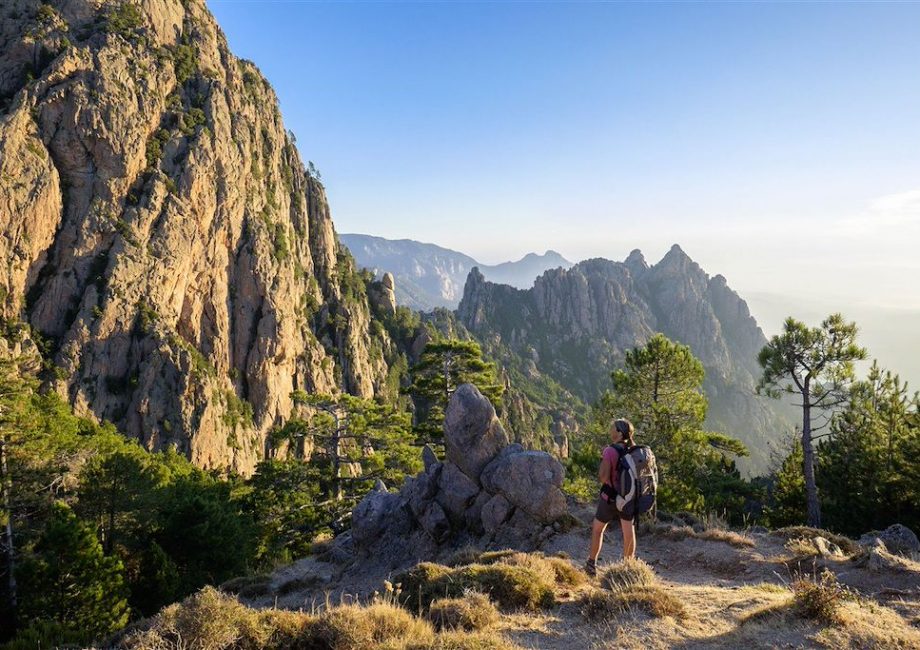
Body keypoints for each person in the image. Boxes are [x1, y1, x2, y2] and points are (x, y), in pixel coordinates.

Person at [585, 418, 636, 576]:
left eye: (612, 427)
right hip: (628, 497)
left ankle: (591, 564)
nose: (610, 429)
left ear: (619, 433)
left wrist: (604, 460)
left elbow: (603, 476)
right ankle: (629, 568)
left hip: (610, 498)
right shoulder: (633, 450)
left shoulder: (610, 451)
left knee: (598, 530)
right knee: (628, 533)